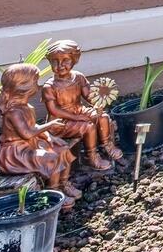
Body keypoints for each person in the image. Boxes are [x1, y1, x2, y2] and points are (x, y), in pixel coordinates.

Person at [0, 63, 79, 206]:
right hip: (15, 154)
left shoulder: (28, 107)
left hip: (29, 147)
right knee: (51, 157)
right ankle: (53, 193)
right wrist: (50, 125)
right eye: (35, 82)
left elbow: (34, 127)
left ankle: (64, 184)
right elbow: (27, 133)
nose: (38, 85)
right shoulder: (14, 112)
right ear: (23, 87)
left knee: (63, 148)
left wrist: (49, 137)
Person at [42, 40, 123, 170]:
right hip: (60, 121)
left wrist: (97, 102)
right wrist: (77, 118)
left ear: (75, 60)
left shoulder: (78, 77)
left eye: (65, 60)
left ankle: (107, 145)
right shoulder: (49, 86)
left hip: (78, 110)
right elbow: (53, 110)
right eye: (55, 61)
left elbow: (88, 95)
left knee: (103, 117)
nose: (60, 65)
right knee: (88, 127)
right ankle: (91, 157)